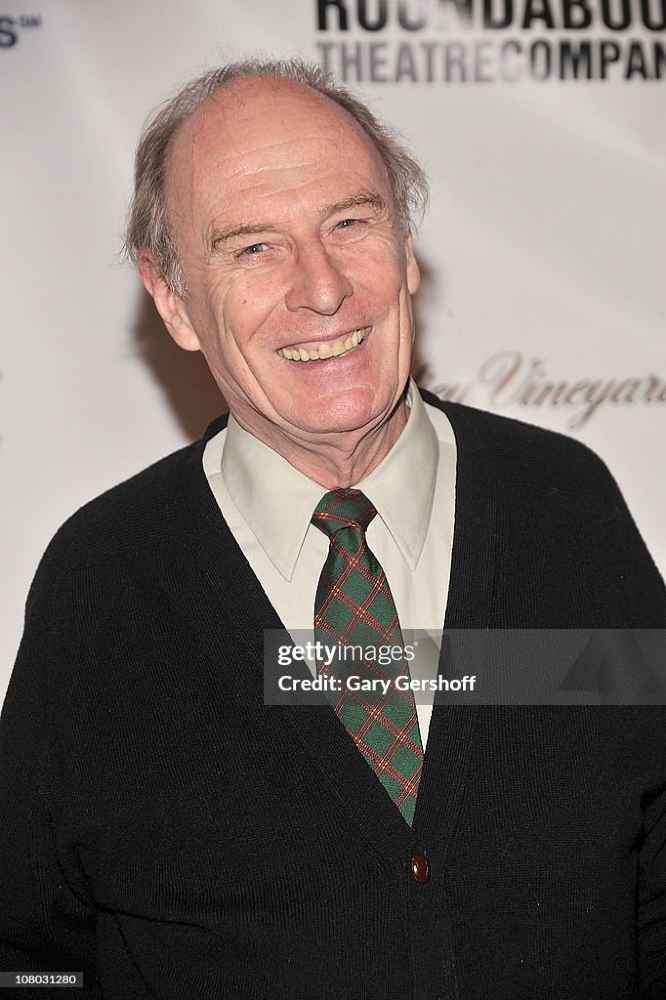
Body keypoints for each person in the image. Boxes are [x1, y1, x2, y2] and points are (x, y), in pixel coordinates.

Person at [1, 57, 665, 1000]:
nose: (322, 288)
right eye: (253, 247)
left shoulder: (565, 506)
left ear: (407, 247)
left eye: (351, 223)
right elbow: (28, 953)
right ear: (173, 299)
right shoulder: (105, 582)